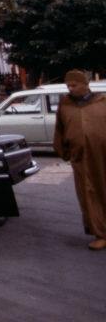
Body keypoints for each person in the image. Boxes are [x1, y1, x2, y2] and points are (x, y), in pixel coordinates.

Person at [53, 70, 106, 251]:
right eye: (68, 85)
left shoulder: (102, 102)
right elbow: (60, 131)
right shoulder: (65, 105)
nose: (70, 88)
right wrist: (63, 151)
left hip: (103, 157)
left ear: (85, 85)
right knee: (88, 195)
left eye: (74, 85)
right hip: (81, 159)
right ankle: (101, 233)